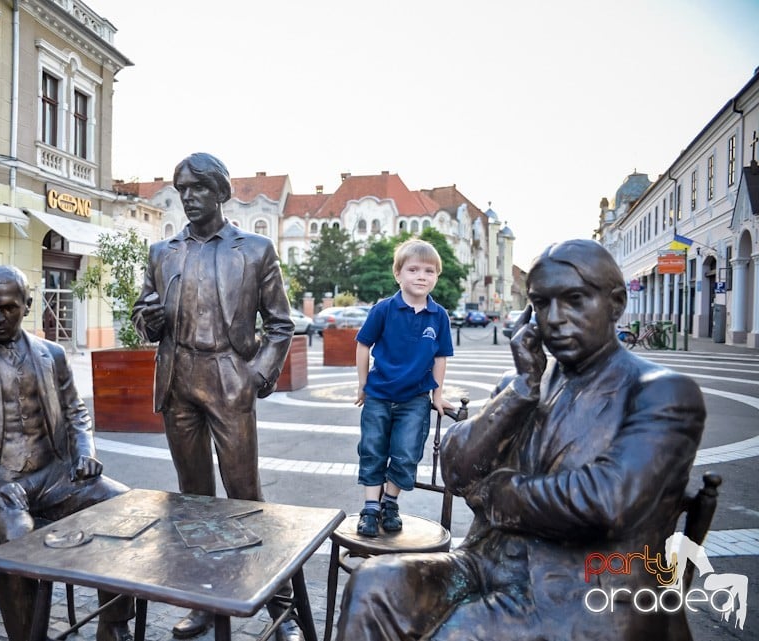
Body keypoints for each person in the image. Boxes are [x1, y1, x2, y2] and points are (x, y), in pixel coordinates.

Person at [335, 239, 706, 641]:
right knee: (373, 586)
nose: (556, 318)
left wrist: (497, 493)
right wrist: (521, 389)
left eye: (575, 299)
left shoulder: (662, 391)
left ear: (616, 304)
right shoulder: (526, 384)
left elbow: (605, 502)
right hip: (485, 564)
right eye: (542, 304)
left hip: (578, 588)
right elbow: (457, 472)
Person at [131, 152, 296, 640]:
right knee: (194, 498)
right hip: (178, 377)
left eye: (198, 188)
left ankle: (278, 605)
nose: (188, 198)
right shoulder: (163, 252)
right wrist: (149, 321)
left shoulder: (256, 249)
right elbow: (143, 315)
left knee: (245, 495)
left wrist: (257, 376)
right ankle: (203, 600)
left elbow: (281, 324)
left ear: (221, 192)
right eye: (182, 189)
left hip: (229, 375)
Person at [0, 265, 135, 641]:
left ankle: (113, 624)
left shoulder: (51, 354)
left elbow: (75, 412)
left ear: (28, 305)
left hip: (52, 477)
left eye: (8, 308)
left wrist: (85, 450)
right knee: (19, 536)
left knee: (121, 505)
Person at [353, 238, 454, 537]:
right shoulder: (383, 309)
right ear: (398, 274)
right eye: (413, 269)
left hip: (415, 399)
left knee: (406, 453)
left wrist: (438, 394)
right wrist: (362, 384)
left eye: (429, 271)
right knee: (372, 450)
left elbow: (440, 357)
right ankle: (371, 507)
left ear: (436, 277)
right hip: (379, 395)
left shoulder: (439, 316)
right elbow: (363, 345)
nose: (421, 276)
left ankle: (390, 502)